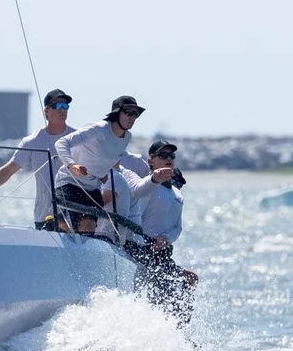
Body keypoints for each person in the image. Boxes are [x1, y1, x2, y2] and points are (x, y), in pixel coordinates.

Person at [0, 88, 74, 228]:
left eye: (65, 106)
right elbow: (8, 170)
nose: (62, 110)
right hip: (44, 214)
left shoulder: (78, 138)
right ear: (46, 111)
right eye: (57, 106)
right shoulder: (32, 141)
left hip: (74, 212)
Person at [128, 139, 197, 324]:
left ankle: (179, 334)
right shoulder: (146, 187)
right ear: (151, 161)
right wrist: (147, 240)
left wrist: (165, 239)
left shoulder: (177, 193)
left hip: (162, 254)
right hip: (139, 251)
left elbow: (177, 228)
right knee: (159, 292)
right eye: (163, 156)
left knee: (190, 279)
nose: (169, 159)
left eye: (171, 156)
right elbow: (132, 219)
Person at [54, 95, 146, 234]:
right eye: (128, 112)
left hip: (92, 187)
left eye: (136, 114)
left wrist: (102, 174)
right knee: (65, 227)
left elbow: (108, 157)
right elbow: (61, 143)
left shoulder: (127, 137)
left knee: (88, 229)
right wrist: (72, 165)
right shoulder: (98, 129)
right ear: (116, 113)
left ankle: (80, 255)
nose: (132, 117)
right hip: (69, 182)